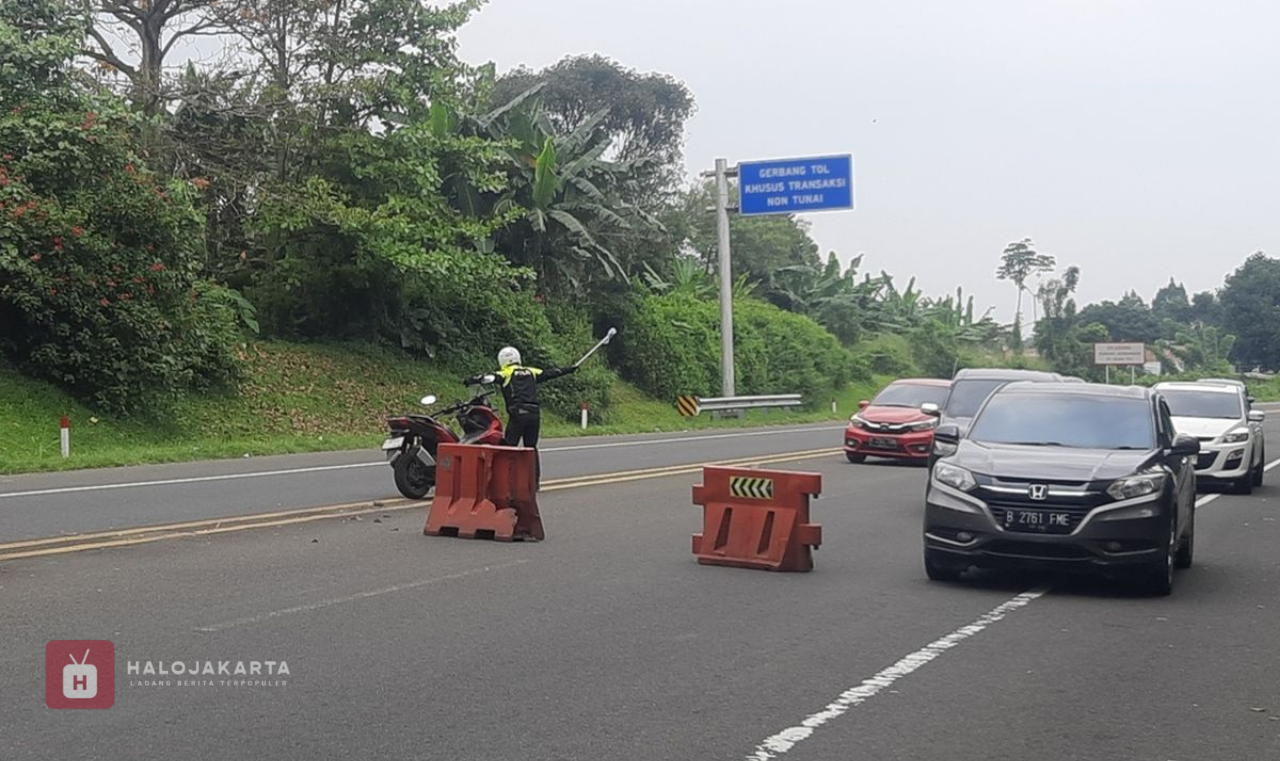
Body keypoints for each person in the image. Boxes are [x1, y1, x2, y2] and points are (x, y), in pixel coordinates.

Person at [466, 346, 577, 488]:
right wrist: (569, 369)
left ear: (502, 360)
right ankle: (534, 483)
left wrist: (471, 380)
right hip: (534, 414)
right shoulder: (532, 371)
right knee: (531, 447)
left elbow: (489, 378)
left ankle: (504, 481)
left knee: (509, 447)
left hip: (518, 414)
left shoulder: (506, 373)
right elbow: (551, 373)